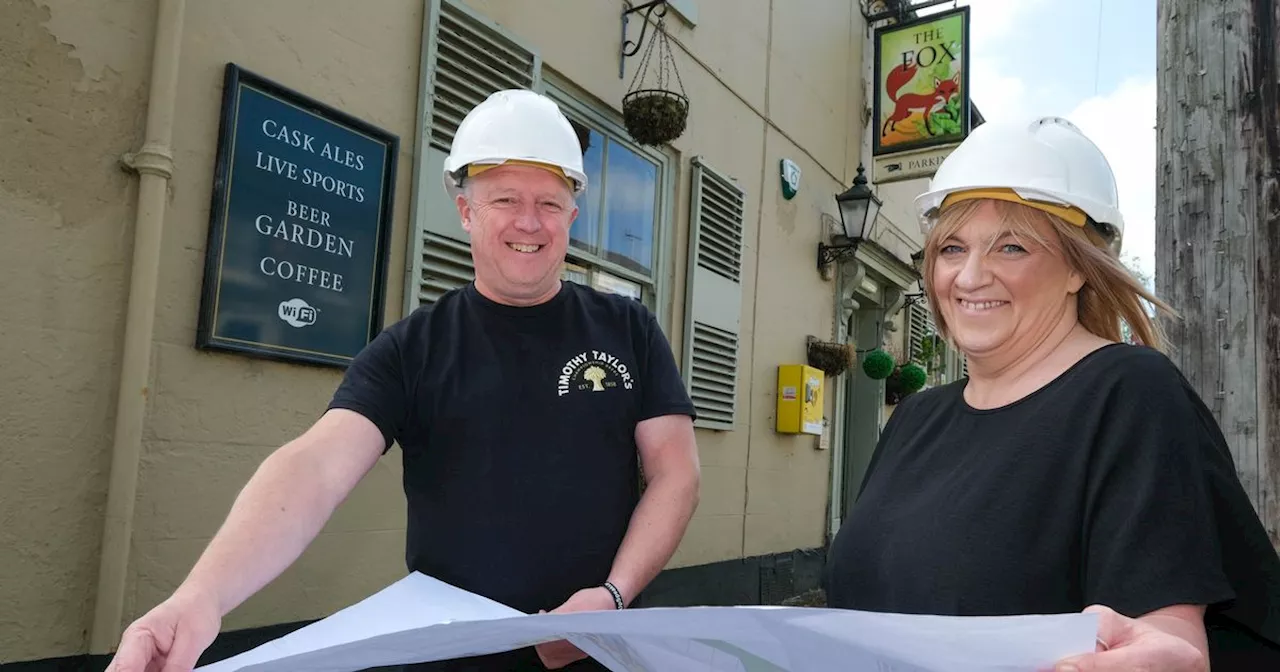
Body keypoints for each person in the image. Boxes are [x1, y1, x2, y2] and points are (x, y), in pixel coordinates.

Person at [105, 89, 701, 672]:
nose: (530, 222)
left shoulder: (628, 328)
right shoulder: (411, 349)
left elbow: (675, 473)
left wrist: (613, 596)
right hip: (450, 653)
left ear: (572, 216)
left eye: (549, 203)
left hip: (603, 649)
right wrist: (200, 598)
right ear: (466, 211)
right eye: (504, 200)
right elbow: (314, 467)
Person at [823, 115, 1280, 671]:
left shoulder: (1128, 394)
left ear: (1077, 269)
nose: (968, 277)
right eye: (951, 249)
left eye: (1011, 248)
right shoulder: (915, 417)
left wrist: (1167, 653)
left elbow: (1163, 629)